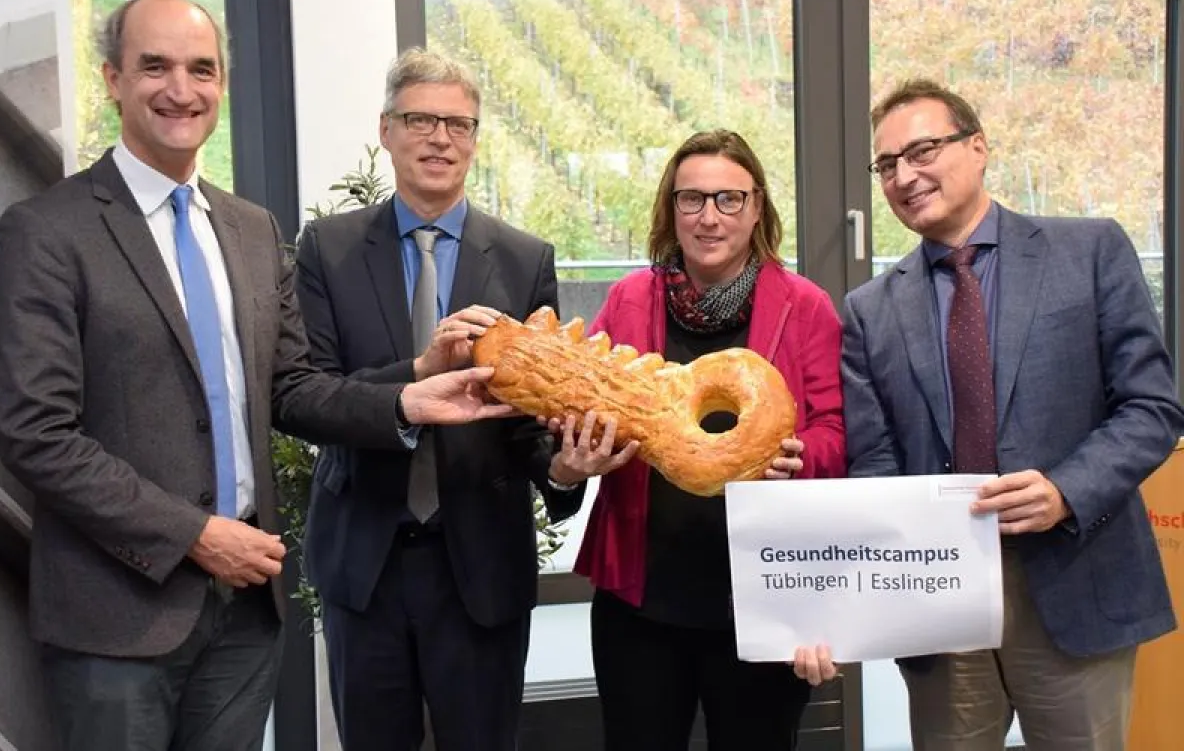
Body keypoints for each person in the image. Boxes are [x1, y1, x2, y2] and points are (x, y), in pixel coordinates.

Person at [0, 0, 511, 751]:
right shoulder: (50, 230)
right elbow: (37, 435)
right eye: (154, 66)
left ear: (222, 85)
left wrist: (409, 394)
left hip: (242, 614)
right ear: (111, 77)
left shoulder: (249, 228)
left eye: (202, 69)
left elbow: (292, 387)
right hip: (118, 619)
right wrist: (197, 534)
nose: (181, 88)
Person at [839, 78, 1184, 751]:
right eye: (887, 165)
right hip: (942, 604)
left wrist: (1066, 489)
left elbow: (1152, 406)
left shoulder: (1088, 251)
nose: (905, 176)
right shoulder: (870, 309)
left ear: (978, 146)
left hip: (1075, 578)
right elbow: (874, 457)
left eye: (923, 150)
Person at [294, 48, 585, 751]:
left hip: (480, 570)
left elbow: (531, 424)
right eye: (420, 119)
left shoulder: (523, 258)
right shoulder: (327, 248)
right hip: (366, 564)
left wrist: (565, 470)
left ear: (477, 139)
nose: (440, 138)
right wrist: (416, 375)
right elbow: (306, 397)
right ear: (387, 129)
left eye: (459, 123)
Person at [552, 129, 847, 751]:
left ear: (757, 207)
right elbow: (589, 400)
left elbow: (835, 430)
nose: (710, 217)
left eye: (729, 199)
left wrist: (802, 457)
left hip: (763, 599)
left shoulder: (805, 306)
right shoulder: (631, 299)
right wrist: (575, 455)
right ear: (671, 208)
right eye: (692, 199)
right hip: (642, 597)